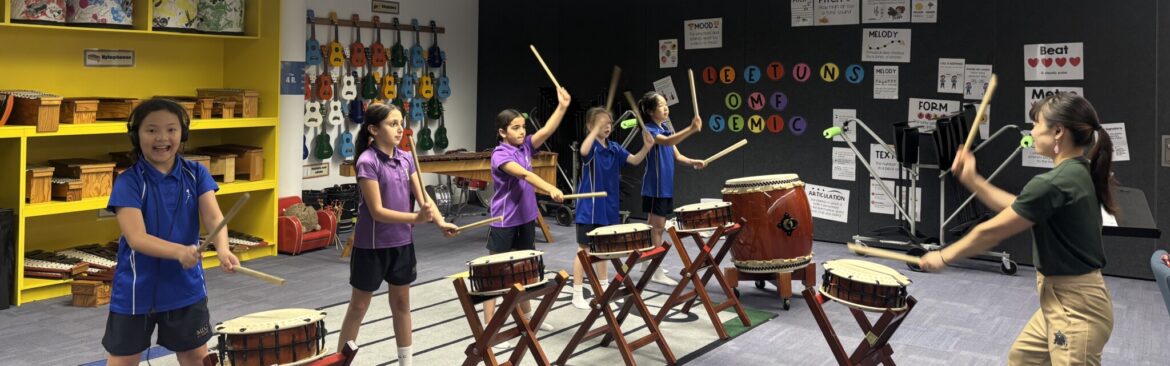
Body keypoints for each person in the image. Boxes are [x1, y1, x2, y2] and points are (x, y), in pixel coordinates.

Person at [920, 93, 1115, 365]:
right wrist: (973, 180)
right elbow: (1018, 208)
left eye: (1037, 124)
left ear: (1058, 131)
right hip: (1061, 299)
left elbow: (989, 232)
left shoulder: (1054, 182)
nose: (1032, 131)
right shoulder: (1077, 171)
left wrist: (943, 256)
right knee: (1022, 359)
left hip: (1076, 307)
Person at [103, 98, 240, 366]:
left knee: (196, 357)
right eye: (151, 130)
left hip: (185, 286)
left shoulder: (196, 173)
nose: (162, 138)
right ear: (136, 135)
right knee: (123, 360)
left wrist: (222, 249)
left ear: (183, 134)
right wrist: (179, 251)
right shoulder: (129, 181)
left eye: (171, 129)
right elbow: (136, 238)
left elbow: (213, 216)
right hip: (136, 289)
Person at [336, 103, 458, 366]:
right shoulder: (367, 161)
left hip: (401, 243)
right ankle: (340, 362)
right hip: (371, 246)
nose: (399, 128)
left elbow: (424, 199)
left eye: (401, 123)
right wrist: (416, 218)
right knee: (358, 308)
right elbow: (378, 211)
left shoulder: (406, 159)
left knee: (402, 304)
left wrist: (440, 222)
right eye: (392, 124)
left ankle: (406, 362)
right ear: (373, 129)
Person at [483, 87, 571, 348]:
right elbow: (524, 175)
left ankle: (529, 318)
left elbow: (545, 131)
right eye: (515, 128)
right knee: (495, 275)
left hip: (525, 219)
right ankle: (491, 327)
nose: (522, 132)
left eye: (523, 127)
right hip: (503, 221)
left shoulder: (525, 147)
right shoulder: (500, 154)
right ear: (502, 132)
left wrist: (563, 106)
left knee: (526, 270)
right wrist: (550, 188)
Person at [571, 107, 654, 309]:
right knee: (585, 250)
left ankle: (605, 289)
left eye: (609, 123)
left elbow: (634, 160)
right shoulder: (590, 148)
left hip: (609, 207)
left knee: (605, 249)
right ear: (590, 126)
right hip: (589, 207)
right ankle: (576, 292)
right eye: (602, 123)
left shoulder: (614, 147)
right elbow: (582, 151)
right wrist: (593, 130)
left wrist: (646, 147)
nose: (607, 126)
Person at [638, 91, 704, 285]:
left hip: (664, 186)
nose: (665, 107)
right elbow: (668, 142)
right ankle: (656, 270)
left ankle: (647, 262)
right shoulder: (649, 130)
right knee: (657, 228)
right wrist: (691, 129)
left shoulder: (665, 128)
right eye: (660, 105)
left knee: (653, 226)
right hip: (655, 187)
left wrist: (693, 162)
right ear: (650, 111)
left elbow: (677, 155)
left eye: (666, 104)